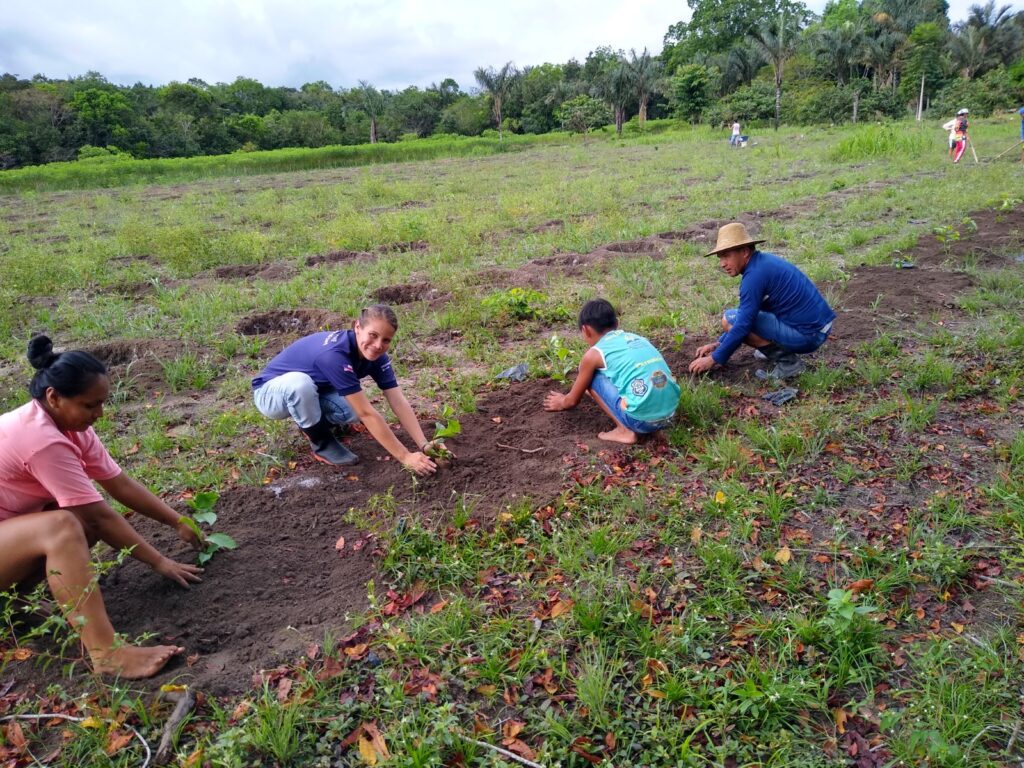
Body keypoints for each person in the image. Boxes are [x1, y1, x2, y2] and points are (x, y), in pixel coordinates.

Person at [0, 336, 204, 679]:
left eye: (102, 404)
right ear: (54, 397)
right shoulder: (41, 440)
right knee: (63, 525)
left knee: (74, 516)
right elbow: (98, 514)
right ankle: (107, 654)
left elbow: (118, 484)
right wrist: (159, 561)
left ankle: (11, 603)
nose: (99, 414)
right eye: (90, 405)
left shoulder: (69, 426)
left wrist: (177, 520)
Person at [252, 304, 440, 475]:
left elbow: (398, 400)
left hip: (316, 390)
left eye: (386, 340)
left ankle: (313, 420)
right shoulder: (334, 355)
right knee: (301, 385)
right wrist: (405, 457)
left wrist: (424, 444)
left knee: (350, 410)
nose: (378, 345)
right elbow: (367, 413)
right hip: (270, 393)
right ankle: (321, 442)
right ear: (357, 327)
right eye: (373, 335)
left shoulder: (376, 355)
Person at [688, 222, 835, 380]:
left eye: (726, 256)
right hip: (818, 329)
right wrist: (718, 344)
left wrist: (714, 358)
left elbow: (743, 324)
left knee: (729, 318)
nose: (722, 264)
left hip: (809, 336)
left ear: (744, 251)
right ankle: (775, 348)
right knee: (738, 317)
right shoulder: (763, 263)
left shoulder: (754, 277)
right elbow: (750, 313)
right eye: (720, 257)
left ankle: (789, 364)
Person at [544, 299, 680, 445]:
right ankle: (655, 422)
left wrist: (562, 402)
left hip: (641, 422)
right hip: (671, 414)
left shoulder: (594, 354)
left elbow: (572, 402)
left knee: (592, 377)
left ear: (586, 330)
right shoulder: (639, 338)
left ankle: (624, 431)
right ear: (617, 323)